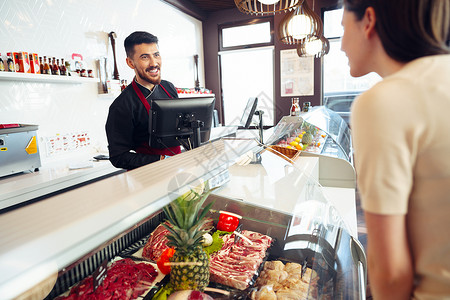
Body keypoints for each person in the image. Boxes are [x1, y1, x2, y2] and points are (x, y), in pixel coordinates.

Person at [341, 0, 450, 299]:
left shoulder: (384, 101)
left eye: (341, 29)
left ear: (368, 20)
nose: (340, 46)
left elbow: (390, 274)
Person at [105, 31, 180, 170]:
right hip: (147, 175)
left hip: (178, 165)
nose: (154, 63)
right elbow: (118, 156)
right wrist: (161, 160)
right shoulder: (122, 105)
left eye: (156, 55)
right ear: (130, 63)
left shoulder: (168, 87)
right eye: (145, 57)